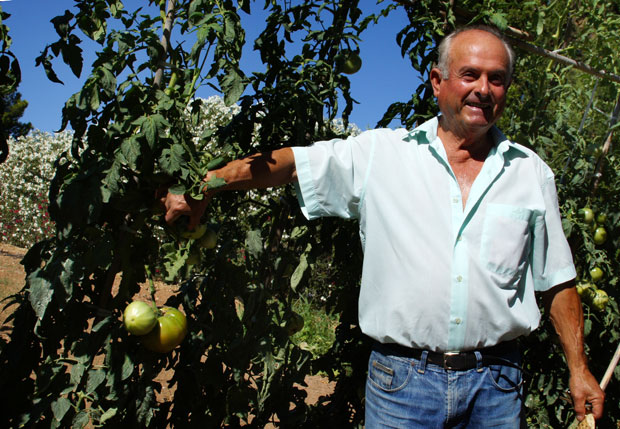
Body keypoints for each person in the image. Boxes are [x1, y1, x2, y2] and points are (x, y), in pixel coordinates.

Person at [161, 25, 604, 427]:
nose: (483, 89)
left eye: (496, 78)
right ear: (437, 82)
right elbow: (293, 164)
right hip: (403, 385)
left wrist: (579, 368)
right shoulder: (382, 155)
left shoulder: (529, 172)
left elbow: (556, 280)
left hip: (497, 385)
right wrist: (208, 184)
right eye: (470, 74)